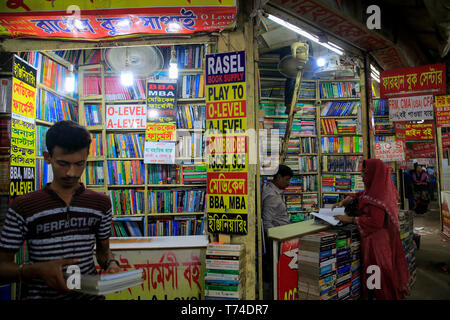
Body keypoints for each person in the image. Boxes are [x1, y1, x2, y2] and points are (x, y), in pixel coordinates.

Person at [0, 120, 120, 299]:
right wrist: (33, 270)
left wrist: (111, 264)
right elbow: (2, 266)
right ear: (47, 157)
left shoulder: (100, 204)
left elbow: (103, 252)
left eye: (79, 163)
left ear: (87, 157)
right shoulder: (24, 206)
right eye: (63, 163)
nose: (71, 172)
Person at [332, 159, 410, 300]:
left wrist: (349, 219)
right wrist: (344, 201)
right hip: (374, 241)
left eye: (364, 173)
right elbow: (361, 195)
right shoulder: (376, 189)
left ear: (374, 174)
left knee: (379, 277)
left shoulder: (379, 196)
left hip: (377, 245)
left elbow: (375, 222)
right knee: (375, 277)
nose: (362, 176)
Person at [261, 164, 293, 299]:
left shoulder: (274, 190)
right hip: (276, 240)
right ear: (278, 177)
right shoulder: (271, 196)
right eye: (286, 179)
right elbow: (267, 223)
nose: (288, 183)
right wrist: (274, 241)